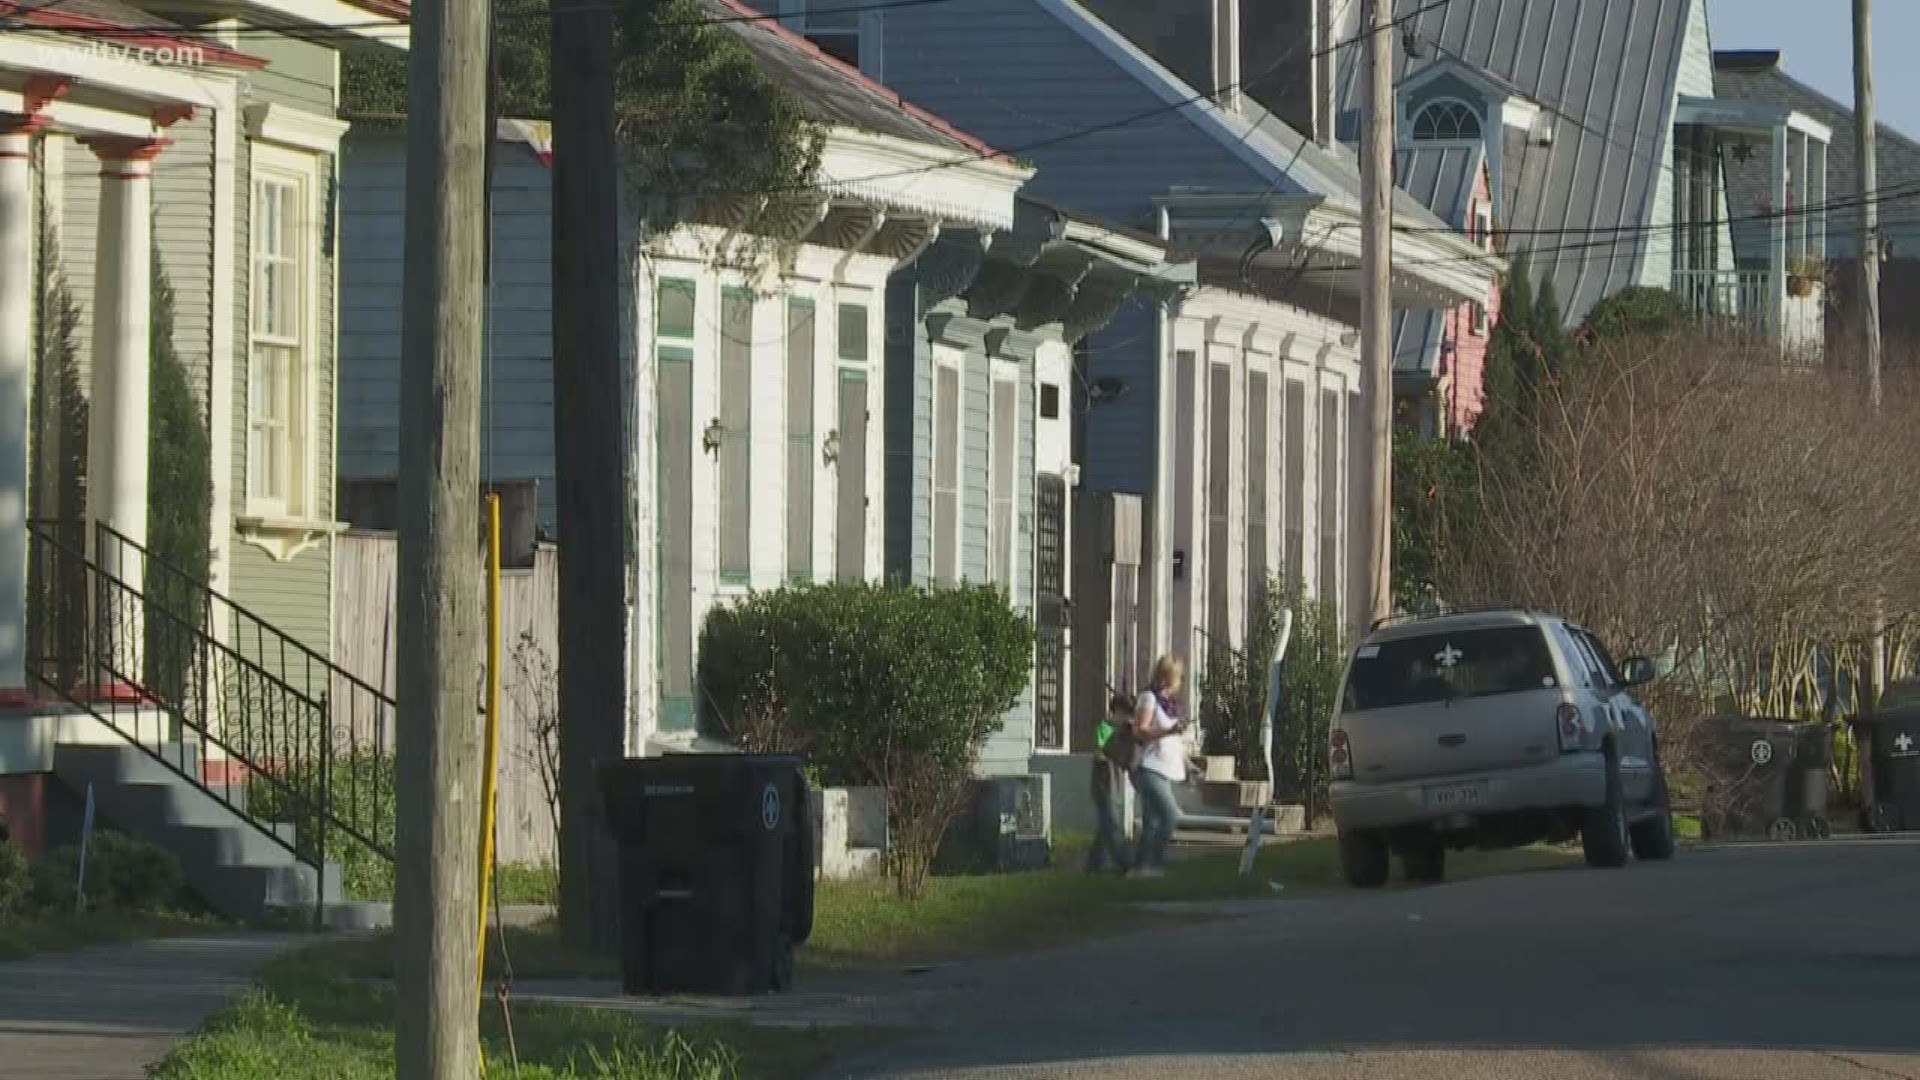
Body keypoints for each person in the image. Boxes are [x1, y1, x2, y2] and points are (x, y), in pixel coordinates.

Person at [1129, 654, 1189, 878]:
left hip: (1167, 769)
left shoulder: (1170, 705)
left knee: (1151, 823)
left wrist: (1188, 764)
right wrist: (1168, 730)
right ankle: (1152, 864)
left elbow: (1173, 742)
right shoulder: (1149, 699)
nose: (1179, 682)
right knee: (1169, 816)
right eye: (1177, 677)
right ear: (1166, 677)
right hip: (1151, 769)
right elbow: (1140, 731)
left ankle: (1139, 868)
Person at [1087, 693, 1136, 874]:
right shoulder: (1105, 728)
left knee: (1105, 827)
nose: (1128, 718)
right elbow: (1099, 752)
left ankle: (1093, 865)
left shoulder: (1125, 732)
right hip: (1102, 784)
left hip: (1115, 784)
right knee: (1111, 825)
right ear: (1117, 712)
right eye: (1126, 714)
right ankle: (1123, 862)